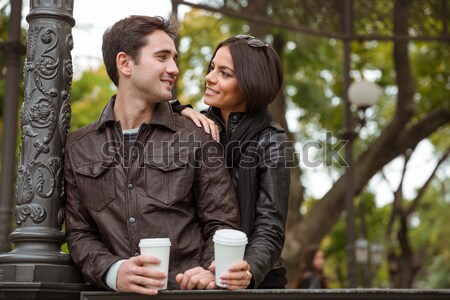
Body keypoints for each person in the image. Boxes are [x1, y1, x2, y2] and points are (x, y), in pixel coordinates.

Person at [63, 15, 241, 296]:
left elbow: (222, 222)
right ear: (125, 63)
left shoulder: (198, 137)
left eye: (174, 58)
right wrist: (113, 271)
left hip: (186, 293)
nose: (174, 69)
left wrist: (208, 271)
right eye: (162, 57)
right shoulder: (78, 147)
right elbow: (79, 232)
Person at [174, 34, 290, 290]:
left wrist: (248, 268)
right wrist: (175, 108)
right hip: (196, 274)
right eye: (212, 67)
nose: (210, 77)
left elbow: (270, 225)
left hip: (253, 280)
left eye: (225, 73)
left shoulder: (272, 140)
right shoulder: (192, 125)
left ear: (251, 84)